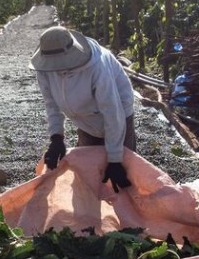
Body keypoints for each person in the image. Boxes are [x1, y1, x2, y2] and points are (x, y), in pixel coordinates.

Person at [30, 26, 137, 193]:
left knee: (122, 176)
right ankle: (89, 214)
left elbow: (112, 112)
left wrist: (115, 159)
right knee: (88, 175)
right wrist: (56, 138)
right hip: (84, 121)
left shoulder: (96, 67)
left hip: (118, 115)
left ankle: (126, 214)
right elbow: (51, 103)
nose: (58, 70)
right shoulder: (45, 69)